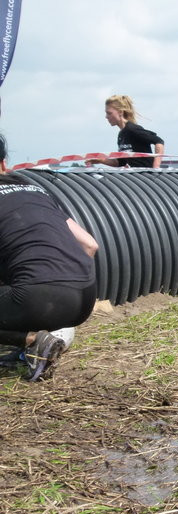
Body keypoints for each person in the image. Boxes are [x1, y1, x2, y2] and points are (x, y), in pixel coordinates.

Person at [0, 134, 98, 381]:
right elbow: (90, 244)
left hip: (39, 298)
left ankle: (34, 340)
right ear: (4, 164)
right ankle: (35, 345)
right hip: (84, 298)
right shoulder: (33, 188)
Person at [86, 95, 164, 168]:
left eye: (109, 113)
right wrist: (101, 160)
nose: (106, 117)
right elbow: (120, 162)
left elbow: (159, 142)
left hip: (145, 177)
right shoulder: (121, 135)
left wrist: (155, 168)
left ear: (120, 112)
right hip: (134, 176)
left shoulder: (132, 129)